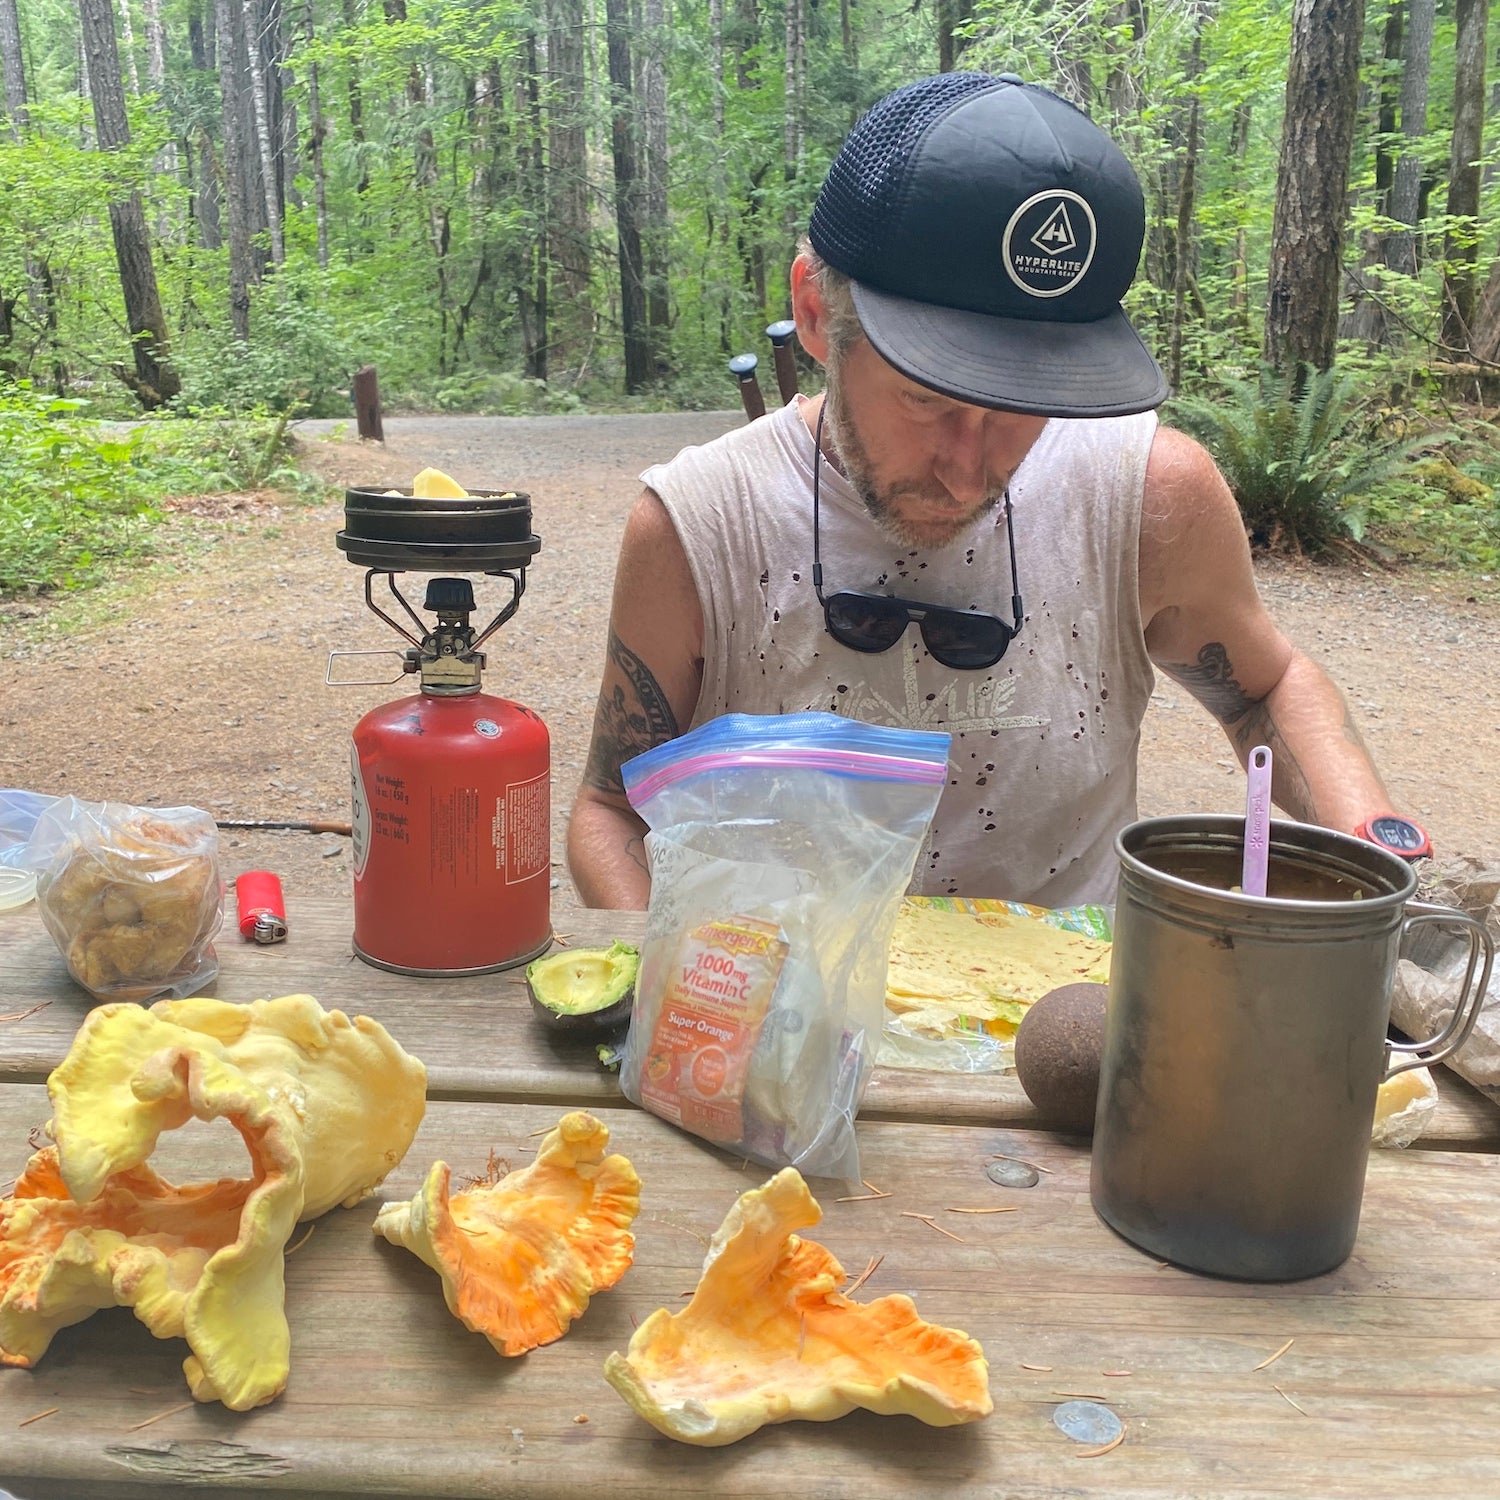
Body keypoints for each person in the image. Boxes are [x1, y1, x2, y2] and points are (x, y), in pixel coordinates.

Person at [567, 72, 1418, 911]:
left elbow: (1265, 688)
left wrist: (1379, 859)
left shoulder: (1148, 499)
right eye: (926, 400)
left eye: (1022, 411)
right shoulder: (700, 527)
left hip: (1071, 1027)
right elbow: (610, 812)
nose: (968, 470)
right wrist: (681, 1006)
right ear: (819, 314)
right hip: (780, 1021)